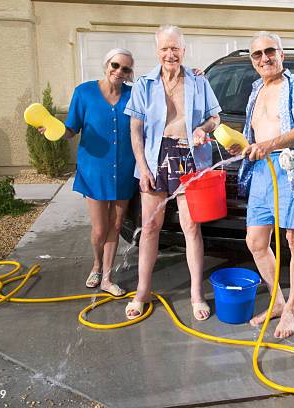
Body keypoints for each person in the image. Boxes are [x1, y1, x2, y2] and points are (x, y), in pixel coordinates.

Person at [227, 32, 294, 338]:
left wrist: (268, 145)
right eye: (257, 54)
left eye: (270, 51)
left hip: (292, 170)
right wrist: (243, 146)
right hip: (261, 172)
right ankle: (278, 302)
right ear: (253, 61)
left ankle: (292, 309)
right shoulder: (255, 89)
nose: (264, 58)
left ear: (281, 54)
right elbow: (255, 134)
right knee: (255, 242)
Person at [124, 25, 221, 321]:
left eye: (175, 48)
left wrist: (202, 129)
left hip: (189, 157)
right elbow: (136, 129)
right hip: (156, 157)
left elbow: (215, 117)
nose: (170, 53)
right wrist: (142, 166)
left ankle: (195, 293)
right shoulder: (144, 84)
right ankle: (142, 291)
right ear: (157, 51)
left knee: (191, 228)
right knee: (151, 227)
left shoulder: (197, 80)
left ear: (183, 50)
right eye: (165, 48)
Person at [40, 48, 137, 297]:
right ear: (106, 65)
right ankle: (96, 264)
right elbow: (72, 128)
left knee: (116, 224)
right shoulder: (84, 92)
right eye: (115, 65)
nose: (119, 71)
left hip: (125, 168)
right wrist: (57, 130)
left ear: (129, 74)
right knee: (99, 228)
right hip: (94, 169)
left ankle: (107, 277)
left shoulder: (134, 95)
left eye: (125, 69)